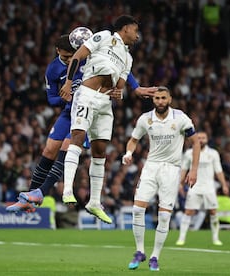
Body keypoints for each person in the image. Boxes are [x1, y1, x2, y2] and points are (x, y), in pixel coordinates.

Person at [6, 26, 157, 214]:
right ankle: (30, 197)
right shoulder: (53, 69)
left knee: (66, 147)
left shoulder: (91, 54)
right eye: (67, 57)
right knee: (49, 149)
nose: (72, 60)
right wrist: (64, 97)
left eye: (73, 56)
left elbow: (121, 66)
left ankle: (41, 193)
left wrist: (135, 87)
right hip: (68, 111)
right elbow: (51, 98)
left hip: (89, 109)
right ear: (58, 52)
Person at [58, 15, 139, 224]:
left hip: (105, 103)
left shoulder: (128, 58)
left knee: (101, 150)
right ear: (126, 28)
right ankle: (67, 189)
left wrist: (119, 92)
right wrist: (68, 82)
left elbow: (119, 85)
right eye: (135, 30)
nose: (137, 35)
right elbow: (77, 56)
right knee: (77, 137)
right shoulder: (104, 36)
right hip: (87, 93)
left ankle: (94, 202)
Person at [122, 86, 200, 271]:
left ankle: (155, 256)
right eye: (157, 98)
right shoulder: (145, 119)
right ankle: (140, 251)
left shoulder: (180, 118)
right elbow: (134, 139)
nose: (160, 101)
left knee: (164, 216)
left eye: (163, 98)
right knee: (137, 209)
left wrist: (193, 169)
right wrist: (128, 152)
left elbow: (195, 142)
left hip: (171, 170)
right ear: (153, 100)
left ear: (170, 99)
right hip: (151, 167)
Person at [176, 131, 229, 246]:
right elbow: (184, 170)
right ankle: (182, 238)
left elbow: (218, 171)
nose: (201, 140)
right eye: (198, 138)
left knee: (213, 212)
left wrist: (224, 184)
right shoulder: (189, 153)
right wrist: (180, 184)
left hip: (209, 187)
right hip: (194, 187)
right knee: (188, 211)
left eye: (203, 138)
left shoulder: (213, 153)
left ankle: (215, 238)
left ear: (207, 139)